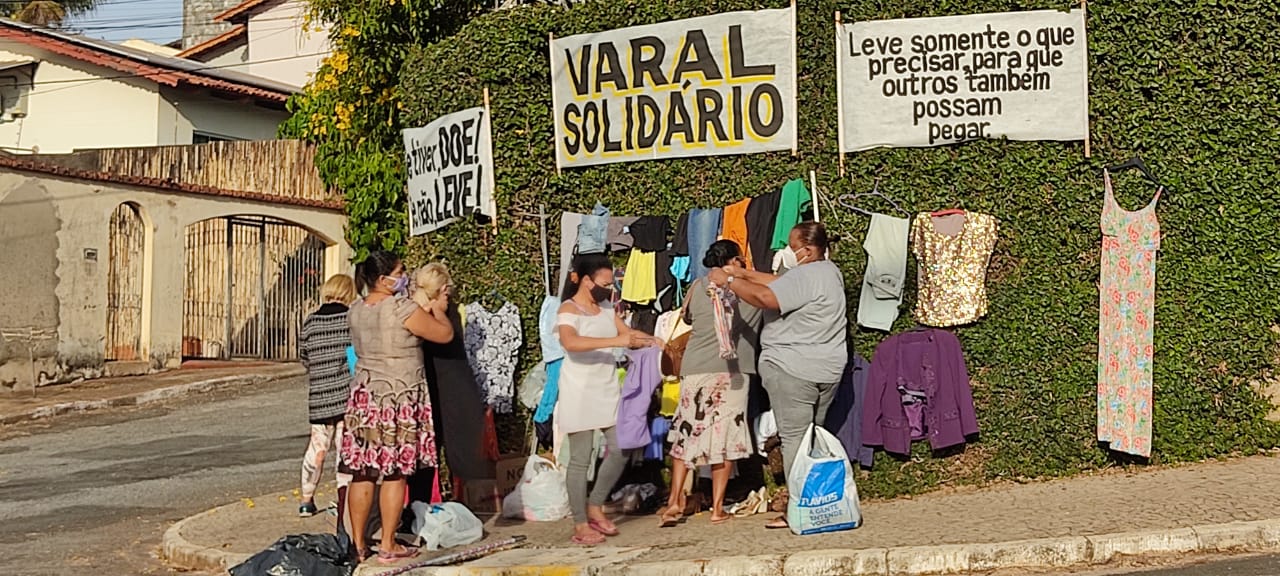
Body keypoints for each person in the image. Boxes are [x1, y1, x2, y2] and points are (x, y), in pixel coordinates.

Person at [708, 221, 848, 530]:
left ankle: (799, 509)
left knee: (794, 440)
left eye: (792, 246)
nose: (788, 251)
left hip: (793, 368)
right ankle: (820, 502)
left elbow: (766, 298)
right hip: (827, 368)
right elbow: (781, 283)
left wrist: (728, 282)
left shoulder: (806, 274)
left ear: (807, 249)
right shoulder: (828, 272)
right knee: (813, 437)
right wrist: (742, 274)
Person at [340, 250, 454, 563]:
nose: (404, 277)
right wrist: (439, 310)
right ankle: (388, 543)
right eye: (400, 272)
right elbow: (443, 334)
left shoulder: (356, 310)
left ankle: (358, 543)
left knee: (362, 471)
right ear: (383, 278)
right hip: (398, 396)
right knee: (395, 472)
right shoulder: (402, 308)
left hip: (364, 396)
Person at [556, 253, 658, 546]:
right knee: (580, 457)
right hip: (579, 389)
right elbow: (570, 342)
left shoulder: (605, 309)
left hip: (607, 387)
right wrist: (617, 341)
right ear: (586, 281)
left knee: (621, 446)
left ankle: (595, 504)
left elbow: (628, 334)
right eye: (604, 284)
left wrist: (654, 341)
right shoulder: (568, 309)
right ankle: (580, 522)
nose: (609, 288)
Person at [660, 240, 762, 527]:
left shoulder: (696, 286)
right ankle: (717, 508)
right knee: (725, 437)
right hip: (731, 370)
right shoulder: (745, 290)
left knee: (686, 432)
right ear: (735, 261)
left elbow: (688, 316)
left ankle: (674, 500)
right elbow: (764, 303)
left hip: (694, 367)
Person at [409, 263, 488, 504]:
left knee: (444, 448)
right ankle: (429, 503)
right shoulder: (430, 313)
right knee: (438, 448)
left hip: (442, 386)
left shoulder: (431, 311)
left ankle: (454, 501)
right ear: (441, 289)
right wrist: (437, 310)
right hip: (443, 386)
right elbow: (447, 336)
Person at [297, 274, 358, 518]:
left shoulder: (310, 322)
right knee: (345, 448)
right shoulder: (350, 319)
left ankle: (306, 500)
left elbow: (304, 357)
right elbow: (355, 358)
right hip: (345, 395)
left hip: (319, 395)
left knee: (317, 448)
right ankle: (343, 498)